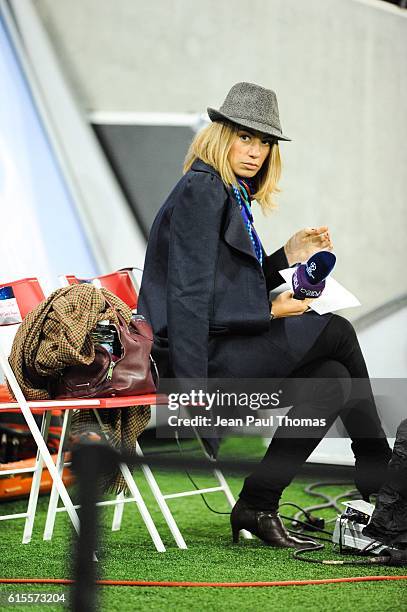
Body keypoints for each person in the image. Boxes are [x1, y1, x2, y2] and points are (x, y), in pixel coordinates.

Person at [137, 82, 392, 548]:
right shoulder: (202, 189)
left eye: (265, 142)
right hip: (197, 361)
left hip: (218, 345)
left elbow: (223, 283)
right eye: (245, 137)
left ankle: (258, 502)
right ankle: (385, 479)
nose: (255, 152)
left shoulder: (228, 191)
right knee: (336, 330)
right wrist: (196, 395)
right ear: (221, 135)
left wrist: (283, 257)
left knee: (333, 379)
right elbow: (190, 297)